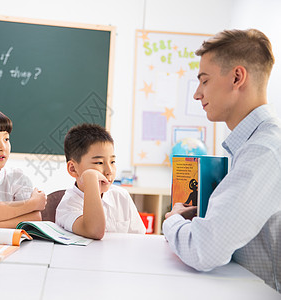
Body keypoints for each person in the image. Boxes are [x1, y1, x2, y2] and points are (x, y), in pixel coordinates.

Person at [163, 29, 281, 292]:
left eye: (204, 81)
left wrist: (172, 220)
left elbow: (205, 250)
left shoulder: (264, 151)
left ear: (237, 77)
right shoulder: (249, 145)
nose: (197, 94)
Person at [56, 123, 146, 239]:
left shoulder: (121, 196)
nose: (109, 171)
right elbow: (94, 231)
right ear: (73, 169)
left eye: (112, 162)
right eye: (99, 163)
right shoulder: (67, 206)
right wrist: (90, 177)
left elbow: (140, 238)